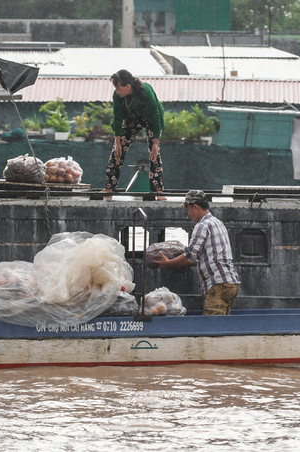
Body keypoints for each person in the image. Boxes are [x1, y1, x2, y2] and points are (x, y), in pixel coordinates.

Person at [155, 190, 240, 315]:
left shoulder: (202, 226)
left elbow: (189, 256)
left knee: (211, 325)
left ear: (195, 207)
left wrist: (169, 263)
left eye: (188, 209)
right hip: (230, 283)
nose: (188, 214)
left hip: (219, 285)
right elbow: (208, 257)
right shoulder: (218, 223)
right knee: (221, 325)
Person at [102, 69, 166, 198]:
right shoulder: (117, 96)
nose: (117, 91)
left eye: (119, 88)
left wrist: (155, 143)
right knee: (117, 150)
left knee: (154, 153)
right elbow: (118, 117)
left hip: (151, 119)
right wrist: (118, 142)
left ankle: (158, 191)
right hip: (132, 118)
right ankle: (110, 186)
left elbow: (156, 116)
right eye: (116, 88)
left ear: (128, 86)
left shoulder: (145, 92)